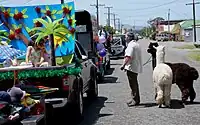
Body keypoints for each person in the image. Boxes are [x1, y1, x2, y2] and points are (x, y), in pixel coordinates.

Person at [120, 32, 143, 107]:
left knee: (133, 84)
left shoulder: (131, 46)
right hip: (135, 67)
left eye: (126, 37)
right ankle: (135, 98)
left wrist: (123, 65)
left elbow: (128, 57)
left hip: (131, 67)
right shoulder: (136, 44)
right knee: (134, 84)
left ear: (129, 37)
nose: (125, 38)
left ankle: (135, 100)